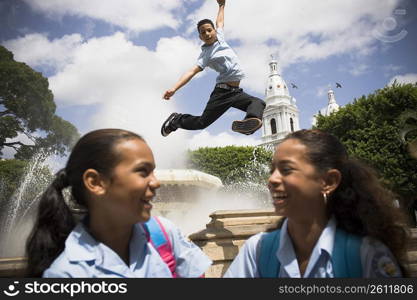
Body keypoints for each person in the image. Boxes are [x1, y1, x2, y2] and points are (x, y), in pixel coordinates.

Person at [26, 129, 212, 277]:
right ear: (95, 182)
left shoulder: (163, 232)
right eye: (142, 171)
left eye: (153, 172)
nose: (156, 183)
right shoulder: (67, 275)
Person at [224, 129, 409, 278]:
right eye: (272, 169)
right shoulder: (256, 250)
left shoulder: (366, 256)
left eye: (286, 169)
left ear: (328, 181)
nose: (271, 179)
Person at [161, 0, 265, 137]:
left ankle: (248, 124)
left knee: (258, 102)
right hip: (222, 92)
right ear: (200, 37)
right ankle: (176, 120)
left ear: (215, 31)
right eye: (203, 33)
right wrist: (174, 88)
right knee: (201, 123)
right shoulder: (205, 54)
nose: (207, 34)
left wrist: (222, 6)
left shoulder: (220, 38)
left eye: (209, 30)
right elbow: (192, 71)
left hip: (236, 92)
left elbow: (220, 22)